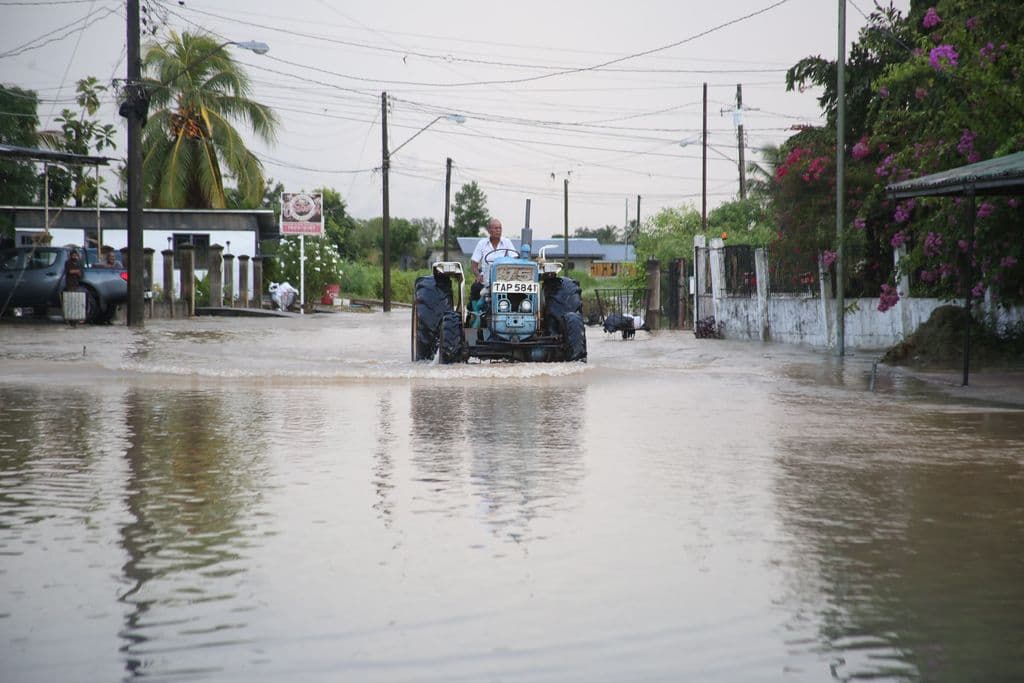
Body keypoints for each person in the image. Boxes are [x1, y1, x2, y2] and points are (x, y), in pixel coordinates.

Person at [470, 218, 516, 302]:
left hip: (505, 279)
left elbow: (515, 259)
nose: (498, 230)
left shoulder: (507, 242)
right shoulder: (482, 243)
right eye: (495, 228)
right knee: (475, 287)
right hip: (486, 279)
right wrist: (478, 275)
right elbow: (474, 263)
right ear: (489, 230)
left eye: (500, 228)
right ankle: (476, 311)